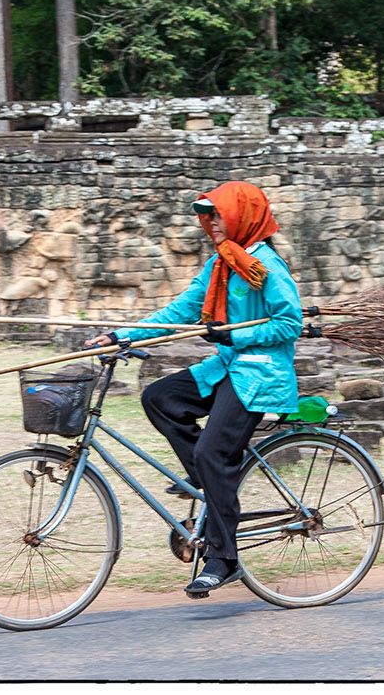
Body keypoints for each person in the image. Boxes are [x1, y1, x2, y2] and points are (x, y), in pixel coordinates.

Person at [83, 181, 302, 595]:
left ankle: (224, 557)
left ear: (242, 217)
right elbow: (182, 309)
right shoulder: (221, 264)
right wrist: (121, 334)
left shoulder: (267, 267)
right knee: (160, 398)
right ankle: (208, 480)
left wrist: (234, 337)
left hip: (260, 375)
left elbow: (290, 324)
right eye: (208, 215)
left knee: (211, 451)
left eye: (218, 214)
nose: (210, 222)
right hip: (227, 367)